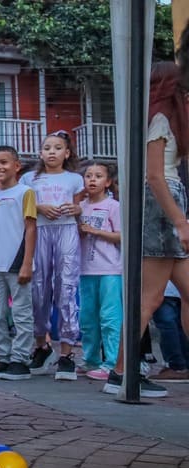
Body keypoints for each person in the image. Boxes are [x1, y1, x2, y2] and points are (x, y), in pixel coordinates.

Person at [103, 61, 189, 398]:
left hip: (166, 202)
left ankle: (121, 372)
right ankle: (121, 373)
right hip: (161, 204)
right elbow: (154, 175)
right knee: (149, 298)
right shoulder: (159, 119)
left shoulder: (162, 118)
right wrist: (180, 221)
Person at [20, 131, 84, 380]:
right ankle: (42, 346)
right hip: (39, 232)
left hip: (67, 231)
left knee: (66, 289)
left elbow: (81, 207)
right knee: (37, 289)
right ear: (40, 153)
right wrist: (39, 206)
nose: (52, 152)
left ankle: (66, 353)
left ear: (66, 153)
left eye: (57, 148)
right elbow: (22, 206)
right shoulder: (28, 179)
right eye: (47, 148)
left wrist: (77, 208)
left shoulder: (75, 179)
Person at [0, 145, 36, 380]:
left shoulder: (25, 192)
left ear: (17, 166)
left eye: (4, 162)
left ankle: (20, 360)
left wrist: (27, 263)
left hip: (17, 263)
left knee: (21, 313)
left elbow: (31, 228)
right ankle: (2, 357)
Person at [76, 162, 122, 381]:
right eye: (88, 176)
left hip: (110, 269)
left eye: (98, 176)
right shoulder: (80, 206)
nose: (92, 180)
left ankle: (112, 362)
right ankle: (90, 359)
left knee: (110, 318)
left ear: (108, 182)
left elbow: (122, 236)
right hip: (85, 270)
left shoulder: (113, 206)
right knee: (87, 318)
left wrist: (95, 231)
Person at [149, 281, 189, 382]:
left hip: (164, 288)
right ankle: (182, 365)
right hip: (179, 289)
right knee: (179, 325)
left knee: (167, 325)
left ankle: (176, 365)